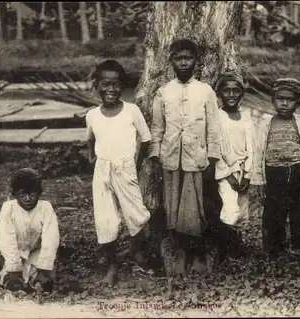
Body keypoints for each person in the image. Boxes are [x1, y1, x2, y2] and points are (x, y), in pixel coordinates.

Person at [148, 39, 223, 276]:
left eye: (188, 58)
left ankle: (198, 253)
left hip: (196, 158)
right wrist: (155, 154)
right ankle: (181, 253)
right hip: (170, 158)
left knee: (196, 208)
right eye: (178, 58)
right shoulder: (163, 93)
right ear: (171, 61)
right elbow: (157, 127)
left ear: (195, 61)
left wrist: (212, 156)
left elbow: (213, 127)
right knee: (174, 209)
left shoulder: (205, 91)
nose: (183, 62)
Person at [86, 59, 152, 286]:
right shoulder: (92, 115)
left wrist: (135, 163)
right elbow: (90, 138)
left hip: (126, 168)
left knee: (137, 214)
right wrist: (93, 158)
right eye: (105, 84)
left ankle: (136, 250)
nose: (111, 90)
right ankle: (112, 267)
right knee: (106, 220)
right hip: (102, 170)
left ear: (123, 86)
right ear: (97, 86)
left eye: (116, 85)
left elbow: (146, 139)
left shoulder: (131, 111)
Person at [251, 78, 300, 260]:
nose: (284, 103)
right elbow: (258, 153)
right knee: (273, 213)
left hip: (297, 172)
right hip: (273, 173)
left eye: (289, 100)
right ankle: (274, 249)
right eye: (280, 98)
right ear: (273, 100)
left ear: (297, 103)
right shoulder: (265, 125)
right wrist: (259, 181)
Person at [0, 168, 60, 293]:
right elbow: (6, 239)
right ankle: (12, 279)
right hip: (16, 253)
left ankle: (37, 281)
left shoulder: (45, 208)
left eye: (32, 194)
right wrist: (14, 268)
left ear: (39, 193)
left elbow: (51, 240)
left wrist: (44, 269)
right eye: (22, 194)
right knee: (10, 280)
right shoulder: (8, 209)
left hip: (37, 253)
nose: (28, 199)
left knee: (43, 281)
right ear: (14, 195)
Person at [214, 71, 255, 227]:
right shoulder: (217, 117)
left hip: (243, 171)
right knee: (230, 212)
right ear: (219, 94)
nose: (231, 95)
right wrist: (228, 175)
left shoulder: (246, 118)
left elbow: (251, 147)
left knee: (243, 214)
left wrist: (247, 174)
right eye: (226, 90)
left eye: (236, 90)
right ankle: (224, 246)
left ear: (242, 94)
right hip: (226, 172)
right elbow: (217, 149)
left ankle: (238, 247)